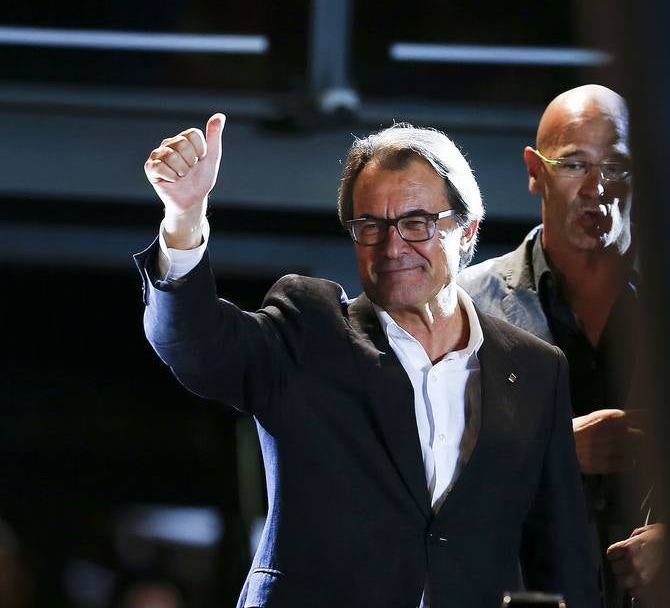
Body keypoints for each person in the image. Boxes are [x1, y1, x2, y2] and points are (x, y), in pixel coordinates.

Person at [136, 115, 597, 608]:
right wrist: (183, 216)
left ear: (467, 231)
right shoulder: (309, 329)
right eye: (370, 226)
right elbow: (194, 345)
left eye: (416, 223)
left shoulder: (535, 369)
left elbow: (561, 553)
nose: (392, 246)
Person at [459, 86, 665, 605]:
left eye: (616, 167)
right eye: (574, 164)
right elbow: (421, 464)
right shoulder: (465, 303)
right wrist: (553, 448)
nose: (597, 187)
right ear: (535, 170)